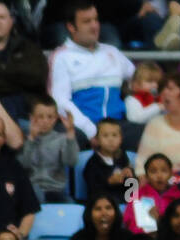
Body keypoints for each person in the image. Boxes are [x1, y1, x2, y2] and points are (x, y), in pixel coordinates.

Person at [48, 2, 135, 144]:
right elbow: (60, 101)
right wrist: (91, 131)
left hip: (118, 126)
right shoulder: (61, 57)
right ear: (71, 27)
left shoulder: (112, 51)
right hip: (84, 129)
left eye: (96, 20)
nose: (94, 26)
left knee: (150, 132)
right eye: (87, 22)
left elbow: (139, 79)